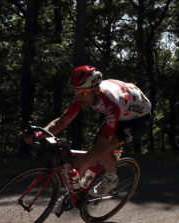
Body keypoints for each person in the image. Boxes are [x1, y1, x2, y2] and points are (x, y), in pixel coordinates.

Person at [23, 65, 152, 197]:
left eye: (82, 93)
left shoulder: (111, 103)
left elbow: (101, 148)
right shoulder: (84, 93)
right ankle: (79, 191)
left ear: (96, 89)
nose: (78, 97)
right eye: (76, 92)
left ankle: (111, 179)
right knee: (91, 153)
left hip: (138, 120)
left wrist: (75, 164)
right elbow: (62, 122)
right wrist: (38, 134)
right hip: (123, 110)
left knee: (102, 150)